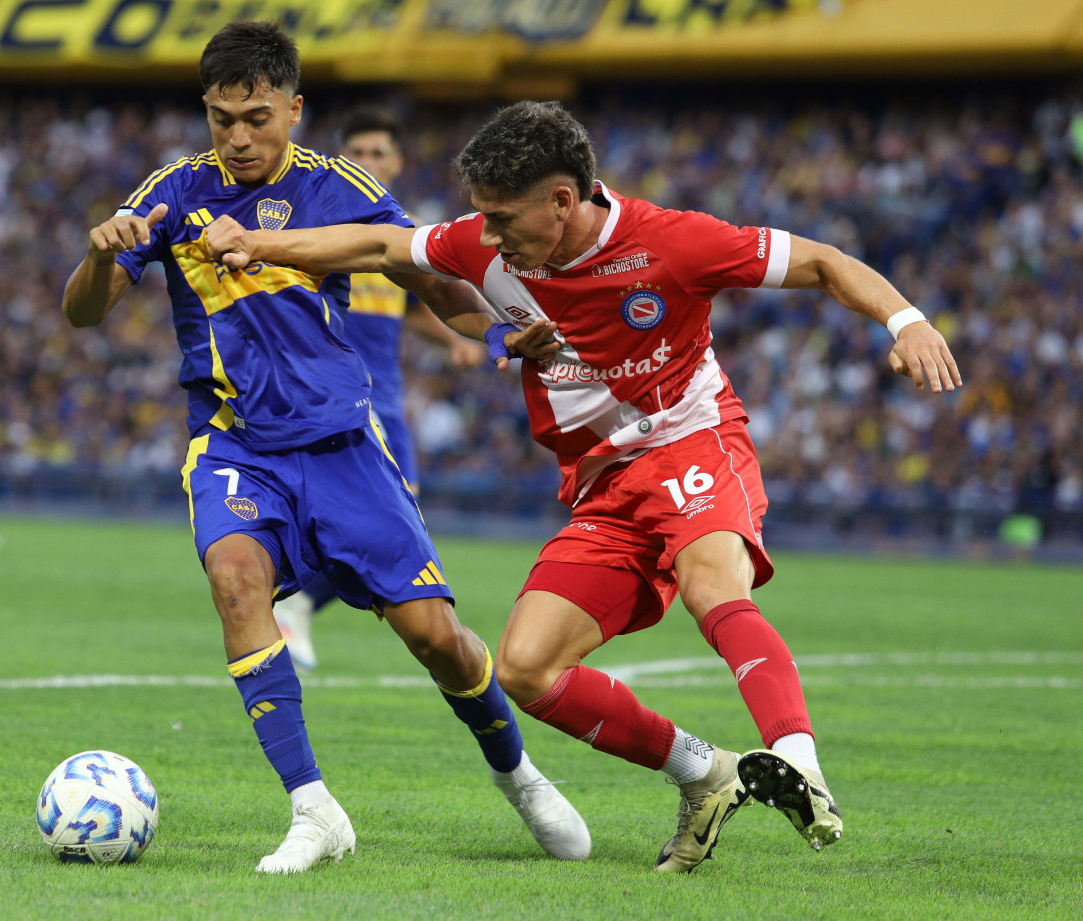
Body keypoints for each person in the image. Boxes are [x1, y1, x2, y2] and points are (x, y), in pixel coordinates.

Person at [204, 100, 963, 872]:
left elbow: (825, 262)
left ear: (563, 200)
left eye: (501, 219)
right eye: (482, 220)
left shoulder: (673, 243)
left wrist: (906, 320)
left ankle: (799, 760)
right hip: (604, 488)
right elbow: (379, 241)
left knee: (711, 583)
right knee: (527, 666)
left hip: (690, 441)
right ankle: (705, 773)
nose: (487, 237)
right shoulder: (485, 244)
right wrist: (255, 243)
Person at [61, 28, 590, 875]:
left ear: (294, 111)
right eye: (222, 118)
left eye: (257, 117)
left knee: (437, 639)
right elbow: (85, 312)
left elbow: (438, 289)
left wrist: (503, 329)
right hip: (235, 444)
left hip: (343, 446)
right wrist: (98, 256)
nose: (238, 137)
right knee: (237, 581)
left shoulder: (343, 188)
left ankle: (518, 774)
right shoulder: (172, 194)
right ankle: (313, 808)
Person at [272, 106, 485, 672]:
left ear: (395, 161)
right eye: (357, 153)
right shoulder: (317, 220)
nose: (367, 162)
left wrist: (455, 342)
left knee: (389, 510)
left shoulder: (399, 231)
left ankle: (299, 599)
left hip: (384, 394)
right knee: (383, 513)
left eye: (377, 154)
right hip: (337, 391)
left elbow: (415, 307)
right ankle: (297, 601)